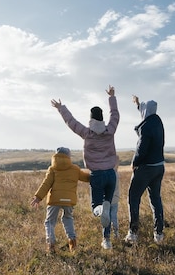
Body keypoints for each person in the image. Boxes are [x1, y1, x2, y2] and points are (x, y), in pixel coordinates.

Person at [51, 85, 120, 249]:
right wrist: (111, 97)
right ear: (102, 118)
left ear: (90, 119)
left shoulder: (86, 133)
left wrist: (61, 108)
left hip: (96, 175)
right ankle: (107, 240)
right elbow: (115, 115)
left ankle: (101, 215)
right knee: (108, 209)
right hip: (111, 174)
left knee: (98, 207)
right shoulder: (110, 130)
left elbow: (71, 122)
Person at [30, 147, 91, 253]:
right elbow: (87, 178)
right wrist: (99, 174)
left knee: (50, 222)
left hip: (55, 200)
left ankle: (51, 244)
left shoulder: (52, 169)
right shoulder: (75, 169)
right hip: (69, 200)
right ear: (68, 156)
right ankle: (72, 243)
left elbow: (46, 184)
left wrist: (38, 197)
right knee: (68, 219)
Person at [124, 95, 165, 245]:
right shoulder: (158, 122)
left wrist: (135, 162)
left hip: (146, 168)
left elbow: (142, 148)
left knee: (133, 197)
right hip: (159, 167)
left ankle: (133, 233)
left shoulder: (146, 126)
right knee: (155, 199)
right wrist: (137, 103)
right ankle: (159, 233)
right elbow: (145, 112)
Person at [101, 159, 121, 249]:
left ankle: (107, 239)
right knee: (114, 217)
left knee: (106, 218)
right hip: (115, 199)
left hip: (107, 200)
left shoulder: (106, 175)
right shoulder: (116, 174)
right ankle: (116, 233)